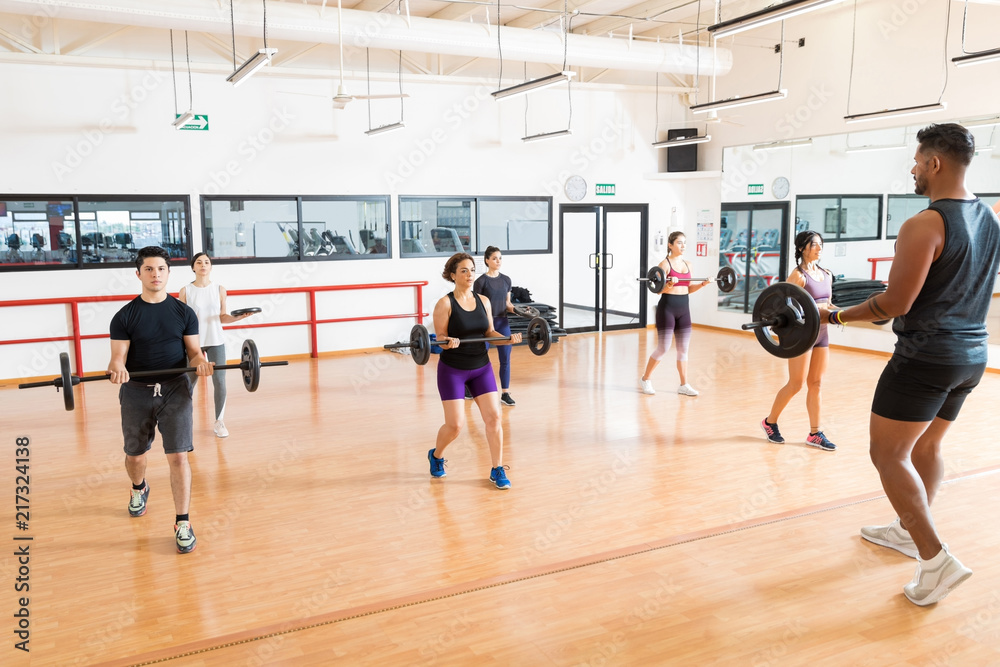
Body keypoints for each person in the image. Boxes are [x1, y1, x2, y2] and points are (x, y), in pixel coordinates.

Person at [822, 123, 1000, 605]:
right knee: (926, 448)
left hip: (925, 358)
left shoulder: (925, 223)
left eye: (918, 162)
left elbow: (892, 304)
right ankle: (907, 531)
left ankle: (935, 560)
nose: (914, 169)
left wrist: (833, 314)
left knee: (888, 455)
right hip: (971, 358)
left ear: (936, 163)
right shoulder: (989, 218)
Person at [108, 246, 215, 554]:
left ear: (169, 273)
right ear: (138, 273)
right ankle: (139, 488)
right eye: (150, 269)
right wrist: (117, 369)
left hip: (175, 389)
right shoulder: (125, 316)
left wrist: (201, 363)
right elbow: (118, 358)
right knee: (136, 455)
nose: (156, 275)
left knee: (179, 456)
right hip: (136, 390)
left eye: (162, 269)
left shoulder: (183, 312)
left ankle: (183, 522)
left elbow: (194, 354)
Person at [428, 252, 522, 489]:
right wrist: (447, 340)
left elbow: (489, 332)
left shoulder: (484, 301)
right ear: (453, 275)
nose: (470, 275)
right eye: (464, 270)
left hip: (481, 367)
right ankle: (437, 455)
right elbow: (439, 338)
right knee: (455, 425)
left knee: (494, 418)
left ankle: (497, 468)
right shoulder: (445, 304)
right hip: (453, 370)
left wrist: (507, 340)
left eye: (472, 270)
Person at [760, 230, 837, 452]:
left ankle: (815, 433)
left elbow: (828, 304)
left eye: (821, 244)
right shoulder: (798, 276)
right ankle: (770, 422)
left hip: (822, 334)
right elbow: (781, 307)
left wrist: (843, 314)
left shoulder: (827, 274)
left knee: (816, 383)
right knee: (796, 384)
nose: (819, 248)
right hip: (802, 335)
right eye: (814, 245)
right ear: (802, 247)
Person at [178, 252, 253, 438]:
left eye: (206, 262)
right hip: (194, 343)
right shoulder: (185, 291)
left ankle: (219, 422)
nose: (203, 265)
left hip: (215, 340)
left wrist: (238, 317)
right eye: (199, 262)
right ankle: (181, 421)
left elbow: (222, 317)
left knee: (219, 381)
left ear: (210, 267)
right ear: (193, 267)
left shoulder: (219, 289)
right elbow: (181, 321)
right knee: (187, 383)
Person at [639, 231, 712, 397]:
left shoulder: (689, 265)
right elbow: (658, 291)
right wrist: (669, 284)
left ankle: (684, 385)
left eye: (684, 243)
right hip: (667, 308)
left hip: (684, 309)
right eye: (679, 242)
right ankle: (646, 379)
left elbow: (688, 288)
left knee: (683, 349)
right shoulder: (664, 265)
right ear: (670, 245)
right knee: (663, 348)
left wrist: (703, 283)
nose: (683, 246)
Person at [473, 246, 517, 406]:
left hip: (502, 322)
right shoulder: (480, 282)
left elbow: (508, 303)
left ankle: (505, 393)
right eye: (494, 258)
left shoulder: (506, 280)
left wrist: (517, 310)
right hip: (485, 325)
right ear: (487, 260)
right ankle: (471, 387)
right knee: (480, 359)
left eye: (500, 258)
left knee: (505, 359)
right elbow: (477, 306)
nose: (498, 261)